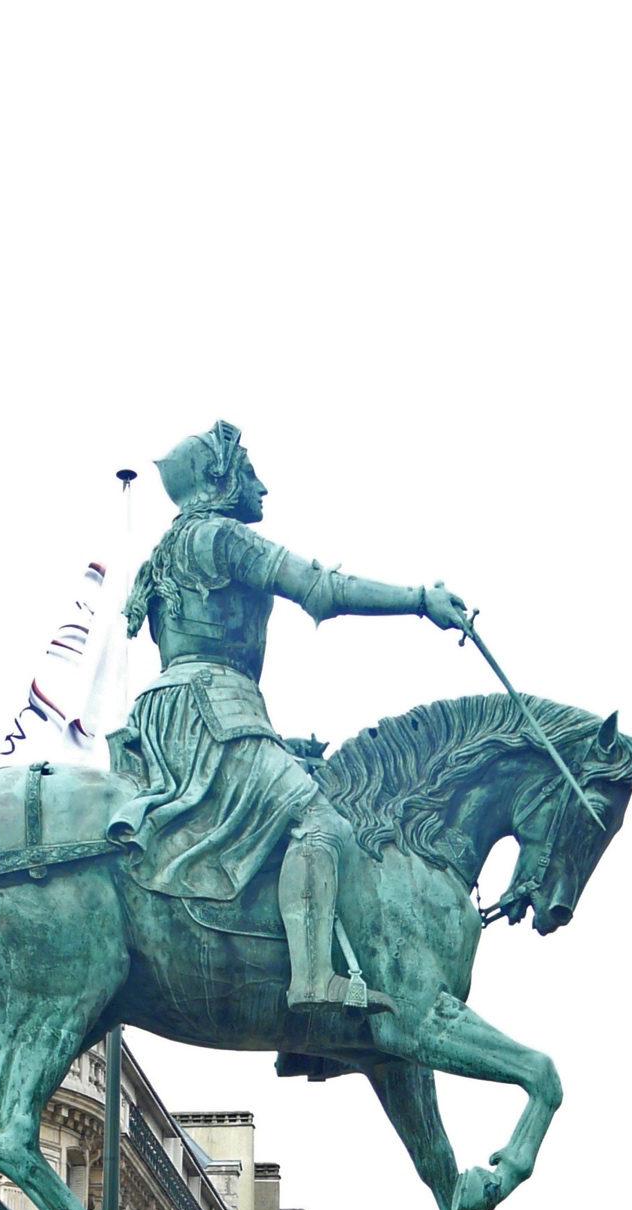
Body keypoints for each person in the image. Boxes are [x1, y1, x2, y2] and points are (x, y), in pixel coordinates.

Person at [116, 421, 471, 1014]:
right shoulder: (223, 538)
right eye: (250, 471)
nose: (263, 486)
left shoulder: (164, 553)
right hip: (215, 709)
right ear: (219, 477)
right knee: (320, 824)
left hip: (164, 711)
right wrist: (417, 601)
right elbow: (320, 588)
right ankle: (313, 980)